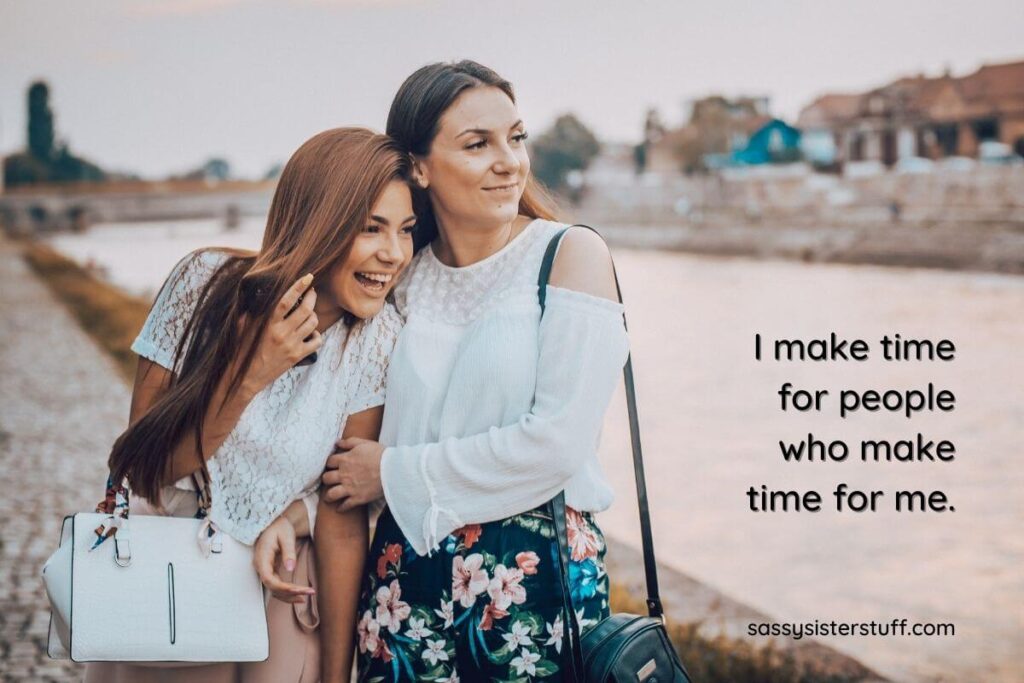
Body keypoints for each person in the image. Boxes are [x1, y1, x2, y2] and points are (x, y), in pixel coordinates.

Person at [322, 61, 628, 682]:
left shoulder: (570, 256)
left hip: (532, 584)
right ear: (419, 167)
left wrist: (391, 469)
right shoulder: (398, 276)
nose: (509, 161)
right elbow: (331, 426)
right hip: (401, 585)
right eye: (477, 144)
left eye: (516, 137)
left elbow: (557, 446)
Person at [87, 127, 415, 683]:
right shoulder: (203, 285)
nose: (394, 254)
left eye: (406, 231)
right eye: (371, 229)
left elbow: (341, 511)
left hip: (286, 587)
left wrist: (337, 676)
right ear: (322, 222)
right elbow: (144, 471)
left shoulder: (379, 337)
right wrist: (252, 373)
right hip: (169, 576)